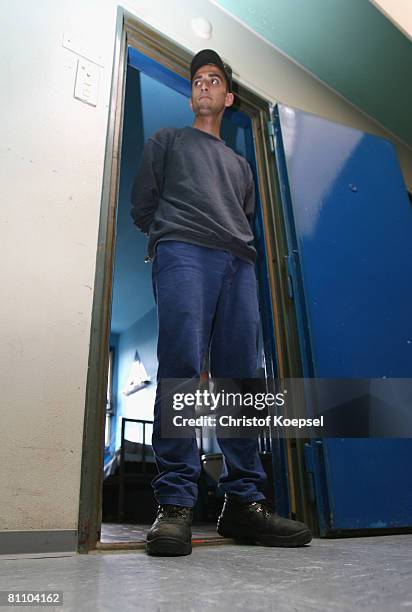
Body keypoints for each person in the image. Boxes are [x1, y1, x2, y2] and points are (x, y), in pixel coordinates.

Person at [130, 49, 312, 556]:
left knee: (240, 378)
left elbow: (244, 216)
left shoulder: (240, 165)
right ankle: (174, 505)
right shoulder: (165, 141)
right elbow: (143, 207)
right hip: (183, 250)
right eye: (198, 80)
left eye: (214, 80)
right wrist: (171, 243)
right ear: (192, 94)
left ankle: (243, 504)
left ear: (229, 98)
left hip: (238, 262)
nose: (204, 85)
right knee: (183, 369)